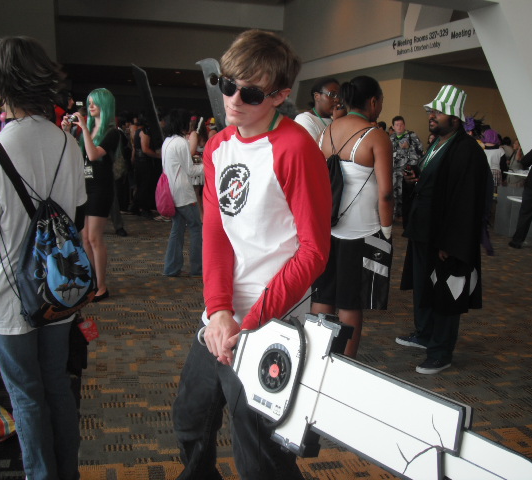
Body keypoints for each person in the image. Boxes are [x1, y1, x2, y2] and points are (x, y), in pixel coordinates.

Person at [172, 29, 331, 480]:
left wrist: (253, 320)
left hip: (272, 319)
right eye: (227, 85)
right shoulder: (221, 145)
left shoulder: (296, 148)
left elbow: (314, 250)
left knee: (259, 454)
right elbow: (217, 234)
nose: (235, 100)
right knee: (190, 421)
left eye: (252, 92)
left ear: (281, 95)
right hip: (221, 317)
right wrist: (220, 311)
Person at [0, 36, 85, 479]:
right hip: (58, 288)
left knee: (26, 395)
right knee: (56, 386)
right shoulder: (68, 146)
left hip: (6, 298)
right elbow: (75, 214)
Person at [397, 85, 489, 374]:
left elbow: (466, 199)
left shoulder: (467, 150)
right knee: (424, 287)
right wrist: (418, 178)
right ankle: (425, 335)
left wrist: (451, 241)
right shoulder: (438, 143)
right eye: (432, 111)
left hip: (446, 236)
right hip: (424, 229)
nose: (432, 116)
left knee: (446, 292)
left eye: (439, 112)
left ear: (456, 118)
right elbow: (439, 181)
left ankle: (441, 351)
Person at [311, 75, 393, 358]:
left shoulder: (327, 132)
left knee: (323, 296)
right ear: (373, 101)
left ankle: (314, 357)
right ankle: (345, 363)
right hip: (362, 231)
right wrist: (388, 230)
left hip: (327, 228)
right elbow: (386, 194)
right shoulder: (376, 136)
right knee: (350, 303)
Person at [63, 88, 120, 301]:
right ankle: (91, 282)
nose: (91, 106)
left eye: (95, 103)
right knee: (84, 238)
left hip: (101, 189)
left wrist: (84, 129)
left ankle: (102, 286)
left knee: (95, 238)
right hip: (84, 186)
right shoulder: (85, 131)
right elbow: (76, 155)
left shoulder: (113, 132)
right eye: (89, 103)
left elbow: (93, 155)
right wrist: (69, 131)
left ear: (104, 105)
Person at [162, 108, 203, 277]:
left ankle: (171, 267)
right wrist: (209, 165)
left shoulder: (168, 141)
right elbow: (191, 170)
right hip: (183, 193)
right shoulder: (180, 142)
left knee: (177, 229)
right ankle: (197, 268)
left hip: (171, 190)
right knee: (196, 228)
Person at [390, 115, 423, 221]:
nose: (399, 127)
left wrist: (409, 147)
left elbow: (420, 152)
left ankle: (405, 217)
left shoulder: (411, 136)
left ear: (404, 125)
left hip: (406, 172)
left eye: (401, 124)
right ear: (393, 127)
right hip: (393, 171)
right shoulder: (391, 138)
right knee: (393, 194)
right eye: (397, 125)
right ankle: (393, 216)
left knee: (404, 195)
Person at [294, 76, 340, 141]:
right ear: (317, 96)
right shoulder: (304, 119)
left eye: (339, 95)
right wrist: (337, 123)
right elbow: (312, 149)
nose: (337, 99)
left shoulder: (334, 120)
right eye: (332, 94)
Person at [482, 128, 505, 193]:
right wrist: (503, 178)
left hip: (483, 172)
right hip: (496, 173)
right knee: (494, 194)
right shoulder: (500, 150)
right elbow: (503, 166)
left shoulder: (481, 149)